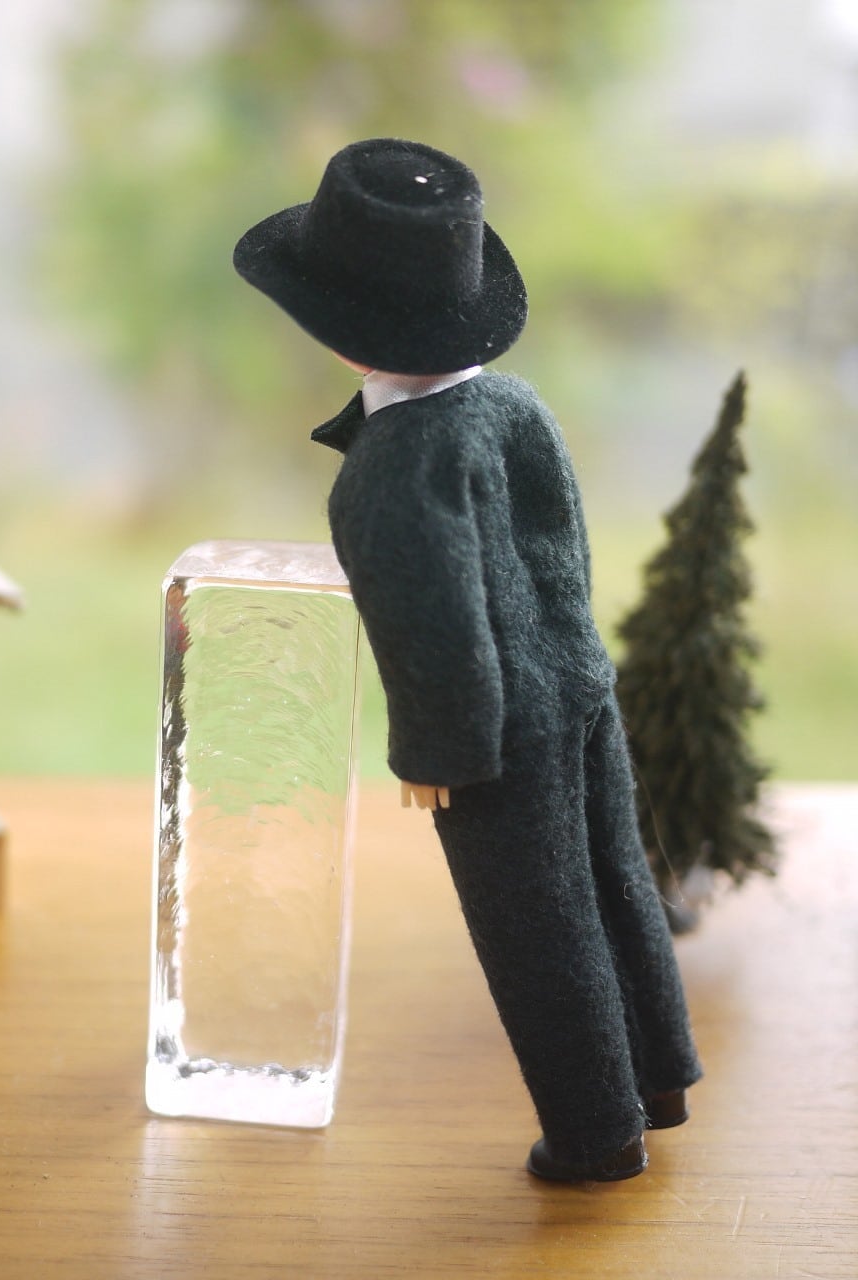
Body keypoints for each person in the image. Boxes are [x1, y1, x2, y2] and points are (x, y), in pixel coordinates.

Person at [233, 137, 701, 1182]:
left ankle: (596, 1134)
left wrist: (438, 753)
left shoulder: (394, 465)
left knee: (537, 930)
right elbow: (563, 553)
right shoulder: (516, 405)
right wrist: (573, 664)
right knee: (615, 882)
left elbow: (433, 618)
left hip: (496, 734)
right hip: (578, 684)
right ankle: (659, 1080)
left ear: (342, 334)